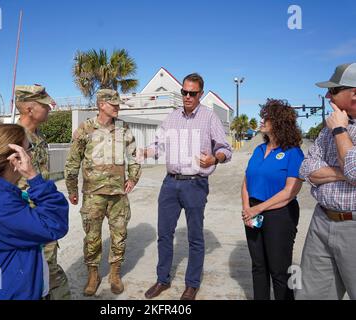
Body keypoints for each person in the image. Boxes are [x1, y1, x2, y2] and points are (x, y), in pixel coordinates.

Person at [141, 73, 232, 300]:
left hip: (195, 184)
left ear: (200, 94)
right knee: (164, 234)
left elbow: (225, 149)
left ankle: (192, 284)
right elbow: (158, 145)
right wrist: (144, 152)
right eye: (184, 92)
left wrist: (214, 159)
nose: (188, 96)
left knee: (195, 237)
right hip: (170, 184)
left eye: (193, 93)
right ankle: (162, 280)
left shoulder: (210, 118)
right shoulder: (171, 117)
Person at [0, 124, 69, 300]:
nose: (31, 155)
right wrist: (34, 177)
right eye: (29, 149)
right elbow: (55, 224)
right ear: (15, 159)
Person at [64, 89, 141, 296]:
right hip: (93, 195)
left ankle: (115, 273)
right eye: (113, 104)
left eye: (118, 103)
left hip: (118, 195)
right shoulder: (85, 129)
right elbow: (73, 161)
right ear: (101, 105)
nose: (117, 107)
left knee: (119, 235)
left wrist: (133, 178)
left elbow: (134, 157)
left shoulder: (123, 129)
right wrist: (72, 189)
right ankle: (93, 274)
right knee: (92, 237)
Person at [296, 63, 356, 300]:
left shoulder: (336, 126)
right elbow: (306, 168)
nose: (326, 95)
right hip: (321, 221)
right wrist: (343, 172)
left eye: (333, 90)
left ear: (353, 93)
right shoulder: (328, 126)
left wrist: (340, 131)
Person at [241, 99, 304, 300]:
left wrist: (257, 209)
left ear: (278, 122)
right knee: (258, 266)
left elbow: (289, 192)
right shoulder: (259, 150)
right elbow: (246, 180)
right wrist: (247, 207)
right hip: (252, 211)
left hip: (280, 215)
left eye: (266, 117)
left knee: (279, 269)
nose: (262, 120)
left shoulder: (293, 152)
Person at [14, 84, 71, 300]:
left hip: (42, 216)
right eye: (44, 105)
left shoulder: (38, 137)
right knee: (41, 273)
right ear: (29, 109)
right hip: (25, 220)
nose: (50, 108)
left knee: (47, 271)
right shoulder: (12, 137)